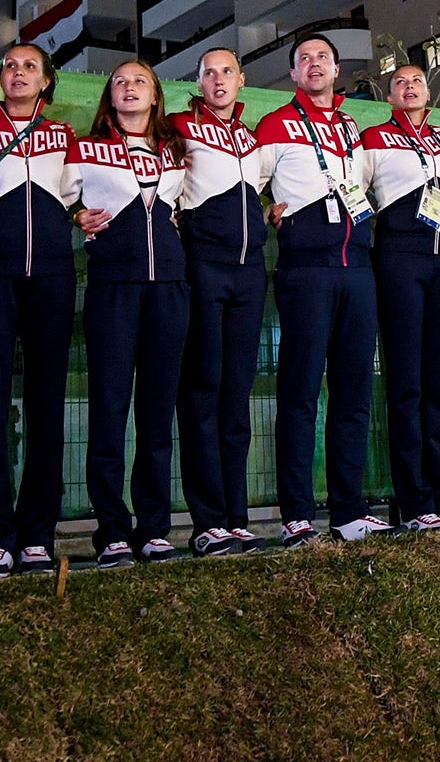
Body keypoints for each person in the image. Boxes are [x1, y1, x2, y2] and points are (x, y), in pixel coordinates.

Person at [253, 36, 392, 543]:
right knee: (300, 392)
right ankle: (296, 514)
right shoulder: (274, 125)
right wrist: (269, 208)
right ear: (293, 74)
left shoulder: (353, 127)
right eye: (303, 60)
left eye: (322, 59)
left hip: (358, 267)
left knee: (354, 393)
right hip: (306, 269)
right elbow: (251, 181)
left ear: (336, 70)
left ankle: (349, 510)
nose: (314, 66)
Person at [0, 43, 80, 577]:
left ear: (46, 82)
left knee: (46, 403)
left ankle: (36, 531)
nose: (18, 72)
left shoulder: (65, 137)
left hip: (52, 278)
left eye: (30, 66)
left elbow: (81, 196)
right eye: (9, 65)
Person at [74, 60, 189, 568]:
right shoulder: (86, 146)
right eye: (118, 80)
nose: (128, 87)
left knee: (157, 413)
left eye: (139, 80)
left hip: (169, 288)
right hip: (112, 289)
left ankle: (155, 527)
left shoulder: (177, 148)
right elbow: (54, 196)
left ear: (156, 96)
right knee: (109, 410)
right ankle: (113, 530)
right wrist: (74, 214)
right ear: (109, 95)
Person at [171, 47, 269, 557]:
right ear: (200, 81)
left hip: (251, 275)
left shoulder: (255, 138)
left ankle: (237, 516)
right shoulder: (178, 125)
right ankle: (206, 521)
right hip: (204, 269)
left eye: (227, 71)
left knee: (237, 396)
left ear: (241, 80)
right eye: (208, 73)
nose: (218, 79)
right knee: (202, 392)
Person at [362, 63, 440, 532]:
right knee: (406, 381)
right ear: (390, 97)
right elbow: (350, 187)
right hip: (400, 256)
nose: (409, 87)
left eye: (417, 82)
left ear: (428, 94)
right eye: (400, 83)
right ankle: (415, 501)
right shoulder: (374, 137)